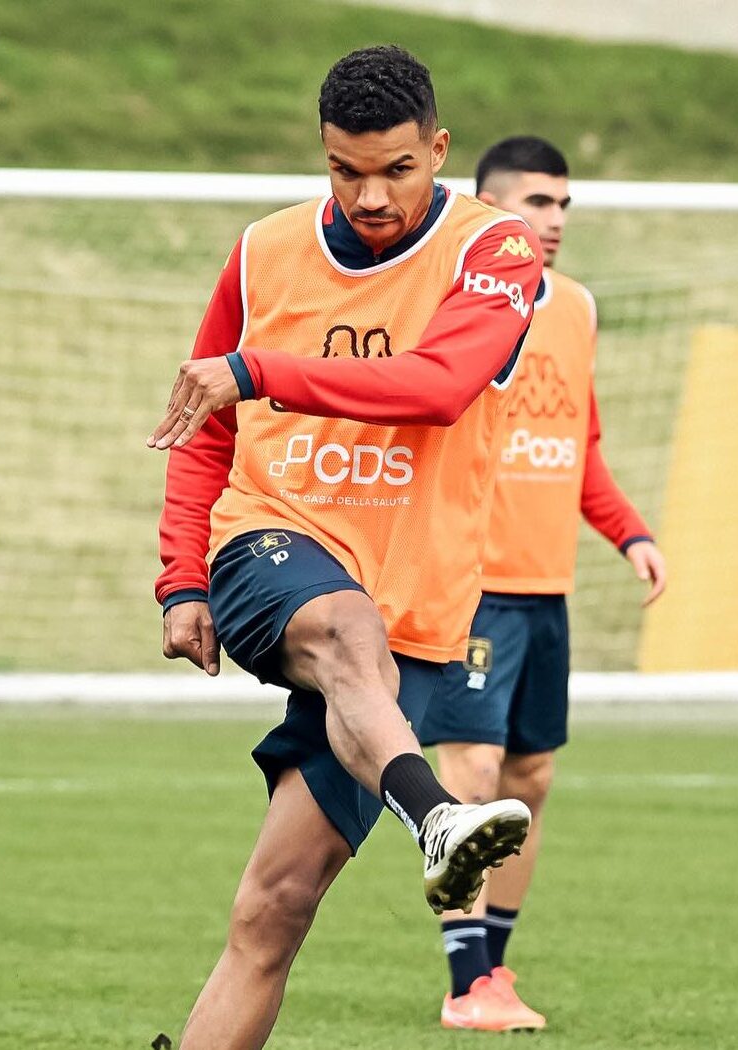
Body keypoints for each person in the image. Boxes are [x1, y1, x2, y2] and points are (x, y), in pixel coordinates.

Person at [148, 48, 544, 1050]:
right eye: (344, 170)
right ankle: (440, 817)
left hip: (417, 604)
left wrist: (263, 369)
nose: (369, 195)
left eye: (396, 170)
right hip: (270, 541)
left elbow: (439, 384)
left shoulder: (495, 254)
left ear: (439, 150)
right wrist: (183, 578)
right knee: (341, 624)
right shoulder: (263, 251)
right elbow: (203, 415)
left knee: (273, 908)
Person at [416, 136, 667, 1032]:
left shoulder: (577, 309)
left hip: (545, 589)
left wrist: (629, 532)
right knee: (473, 774)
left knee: (531, 779)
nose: (554, 221)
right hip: (469, 585)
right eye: (536, 203)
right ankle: (462, 983)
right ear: (486, 209)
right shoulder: (451, 305)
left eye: (563, 206)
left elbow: (580, 445)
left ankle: (497, 971)